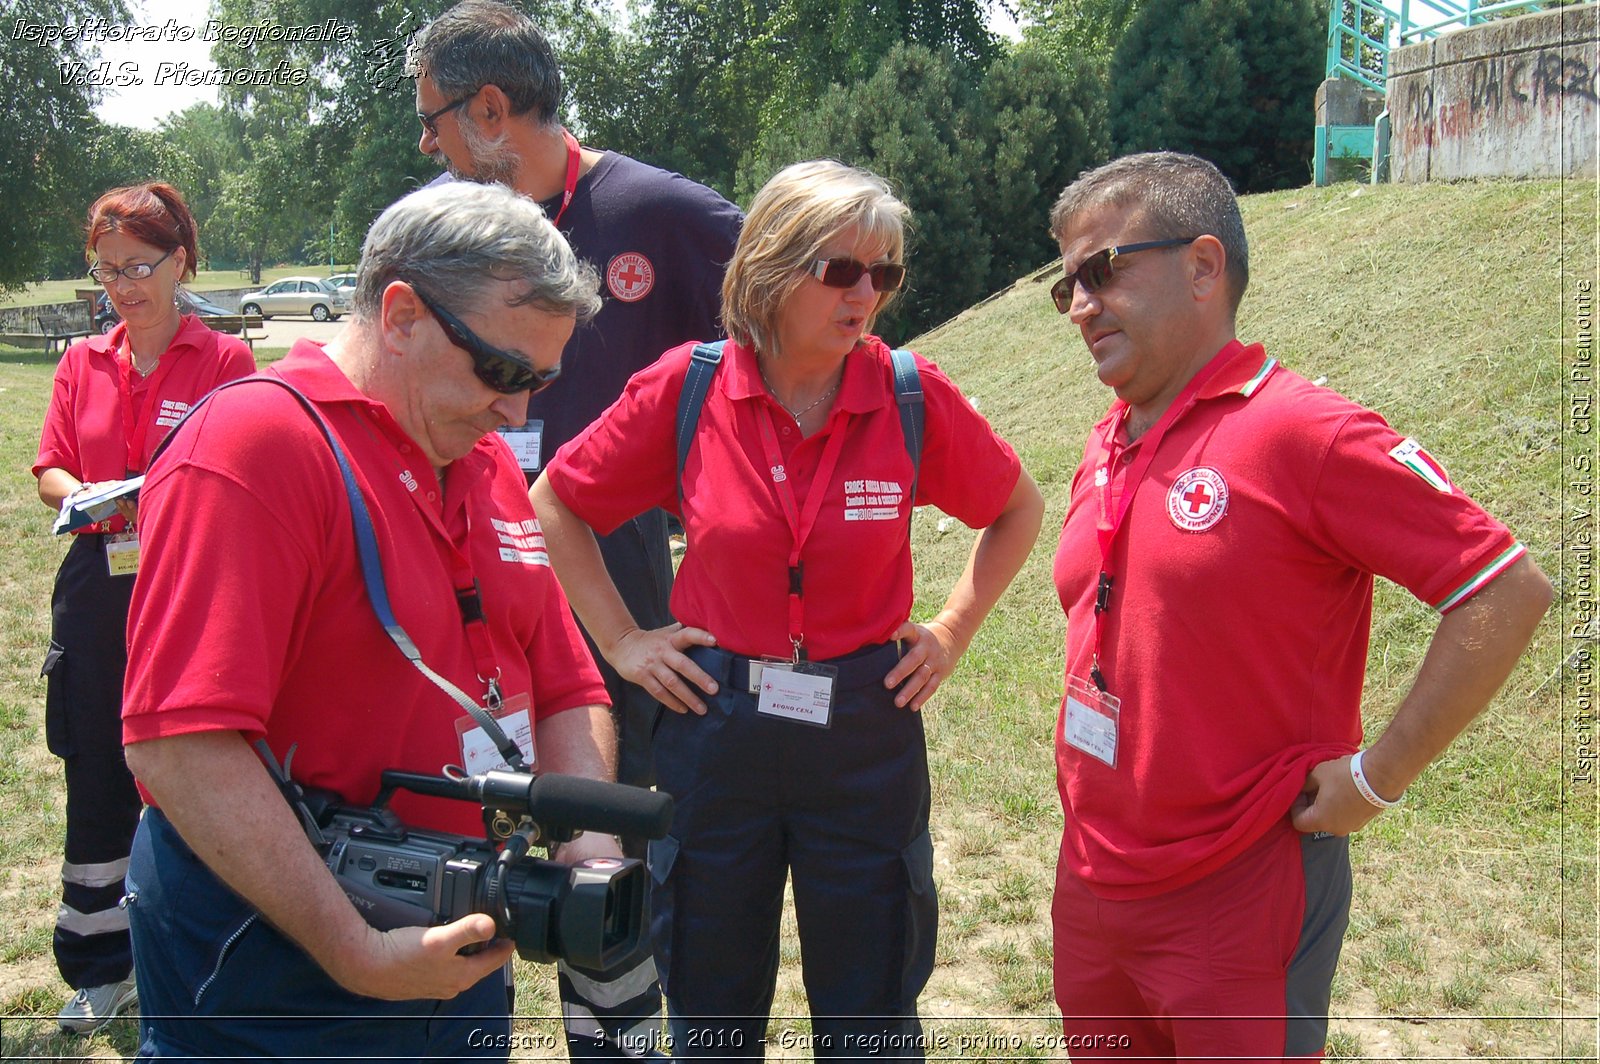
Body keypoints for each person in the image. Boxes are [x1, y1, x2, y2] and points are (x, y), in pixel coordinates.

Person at [532, 159, 1045, 1060]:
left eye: (884, 274)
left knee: (872, 1008)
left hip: (863, 728)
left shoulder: (907, 394)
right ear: (770, 268)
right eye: (842, 270)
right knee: (710, 996)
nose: (867, 296)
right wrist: (623, 640)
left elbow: (1016, 509)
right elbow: (557, 501)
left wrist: (953, 630)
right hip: (717, 724)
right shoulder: (686, 388)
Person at [1045, 151, 1553, 1060]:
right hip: (1094, 884)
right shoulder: (1108, 440)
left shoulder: (1302, 431)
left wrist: (1376, 778)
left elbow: (1504, 589)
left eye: (1103, 270)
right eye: (1067, 284)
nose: (1081, 303)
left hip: (1243, 894)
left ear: (1205, 268)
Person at [119, 181, 619, 1060]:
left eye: (539, 379)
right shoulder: (253, 447)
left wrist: (588, 847)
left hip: (449, 933)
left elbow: (566, 679)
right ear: (400, 314)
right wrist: (352, 951)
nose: (518, 411)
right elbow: (179, 744)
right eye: (502, 372)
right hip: (277, 961)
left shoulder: (482, 458)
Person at [408, 9, 743, 1051]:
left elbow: (785, 341)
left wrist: (728, 495)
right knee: (479, 800)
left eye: (435, 120)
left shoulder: (661, 212)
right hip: (462, 564)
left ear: (492, 110)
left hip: (611, 566)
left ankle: (624, 1031)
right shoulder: (439, 228)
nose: (427, 145)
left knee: (620, 813)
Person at [33, 182, 255, 1035]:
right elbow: (50, 464)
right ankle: (97, 964)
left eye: (140, 266)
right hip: (96, 588)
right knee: (95, 767)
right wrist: (85, 492)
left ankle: (202, 950)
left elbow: (241, 467)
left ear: (182, 263)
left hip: (190, 583)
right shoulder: (81, 362)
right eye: (108, 269)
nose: (124, 286)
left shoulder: (225, 363)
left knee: (193, 764)